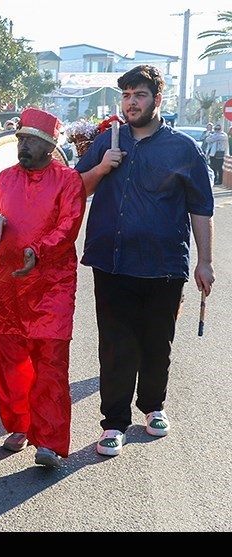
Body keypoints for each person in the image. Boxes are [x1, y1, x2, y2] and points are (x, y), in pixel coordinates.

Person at [76, 65, 215, 457]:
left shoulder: (183, 148)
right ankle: (114, 423)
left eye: (139, 95)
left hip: (164, 264)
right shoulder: (107, 140)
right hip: (112, 263)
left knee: (157, 343)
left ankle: (154, 405)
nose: (131, 102)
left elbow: (201, 208)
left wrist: (205, 262)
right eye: (126, 95)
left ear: (157, 99)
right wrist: (104, 167)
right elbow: (74, 189)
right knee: (116, 345)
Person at [0, 107, 86, 468]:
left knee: (51, 364)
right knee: (9, 362)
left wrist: (37, 252)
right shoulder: (5, 178)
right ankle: (19, 425)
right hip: (7, 286)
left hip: (51, 287)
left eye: (30, 141)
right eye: (20, 139)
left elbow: (68, 227)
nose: (22, 146)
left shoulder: (68, 181)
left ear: (49, 146)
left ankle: (49, 441)